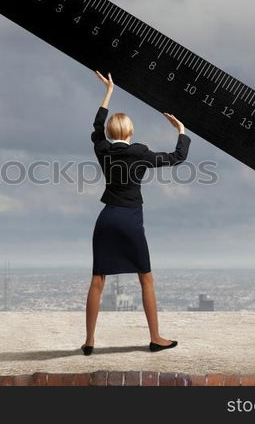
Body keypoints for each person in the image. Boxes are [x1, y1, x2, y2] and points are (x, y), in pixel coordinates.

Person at [82, 70, 191, 355]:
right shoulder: (140, 152)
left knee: (97, 280)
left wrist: (108, 92)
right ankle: (155, 337)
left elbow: (96, 128)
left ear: (109, 133)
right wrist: (181, 131)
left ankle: (89, 342)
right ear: (130, 132)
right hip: (130, 220)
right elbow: (177, 158)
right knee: (145, 278)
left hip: (106, 219)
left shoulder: (102, 149)